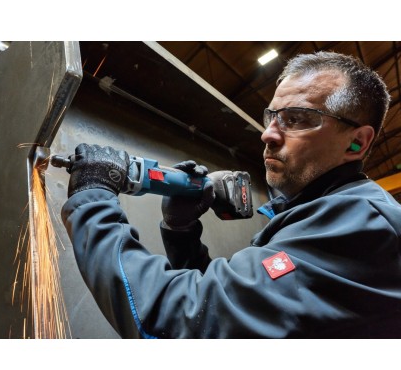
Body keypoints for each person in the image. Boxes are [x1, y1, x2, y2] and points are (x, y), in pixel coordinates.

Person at [61, 51, 401, 338]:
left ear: (357, 142)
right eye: (272, 117)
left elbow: (183, 324)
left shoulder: (362, 225)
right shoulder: (313, 214)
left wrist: (93, 197)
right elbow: (237, 313)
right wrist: (182, 233)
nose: (268, 135)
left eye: (296, 119)